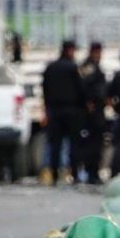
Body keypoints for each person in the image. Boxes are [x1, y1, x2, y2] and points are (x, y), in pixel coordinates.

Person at [42, 39, 85, 185]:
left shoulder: (50, 68)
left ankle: (54, 174)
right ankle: (74, 174)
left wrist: (47, 111)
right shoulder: (73, 68)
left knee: (55, 145)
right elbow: (80, 91)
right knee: (74, 145)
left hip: (54, 112)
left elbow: (45, 91)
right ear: (70, 50)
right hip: (71, 111)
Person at [78, 42, 107, 185]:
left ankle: (94, 172)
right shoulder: (88, 67)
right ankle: (91, 173)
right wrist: (88, 103)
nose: (99, 55)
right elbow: (83, 86)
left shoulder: (95, 66)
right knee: (92, 144)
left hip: (97, 110)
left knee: (97, 144)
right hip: (92, 112)